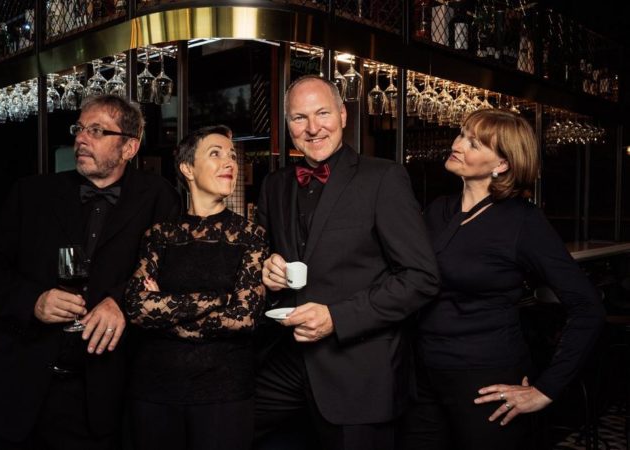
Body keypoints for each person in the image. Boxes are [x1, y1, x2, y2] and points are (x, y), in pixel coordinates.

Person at [0, 94, 181, 450]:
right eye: (80, 129)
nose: (81, 138)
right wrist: (33, 301)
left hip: (100, 398)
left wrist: (121, 302)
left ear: (129, 147)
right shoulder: (31, 193)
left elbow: (170, 271)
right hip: (21, 386)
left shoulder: (158, 197)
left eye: (97, 131)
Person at [255, 74, 440, 450]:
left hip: (358, 371)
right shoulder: (274, 185)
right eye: (299, 117)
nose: (312, 128)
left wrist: (337, 318)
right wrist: (267, 271)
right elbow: (263, 256)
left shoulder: (383, 178)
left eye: (322, 113)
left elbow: (420, 277)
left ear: (342, 115)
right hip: (285, 363)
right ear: (288, 125)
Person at [403, 108, 605, 450]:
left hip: (485, 382)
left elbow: (588, 307)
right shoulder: (438, 209)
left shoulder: (522, 221)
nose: (457, 145)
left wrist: (546, 389)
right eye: (462, 135)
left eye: (474, 144)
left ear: (502, 164)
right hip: (422, 376)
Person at [124, 125, 268, 450]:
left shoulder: (250, 235)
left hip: (225, 391)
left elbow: (244, 318)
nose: (230, 162)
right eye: (215, 154)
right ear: (187, 169)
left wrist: (165, 310)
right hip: (154, 390)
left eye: (232, 156)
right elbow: (136, 307)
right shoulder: (158, 235)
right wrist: (220, 298)